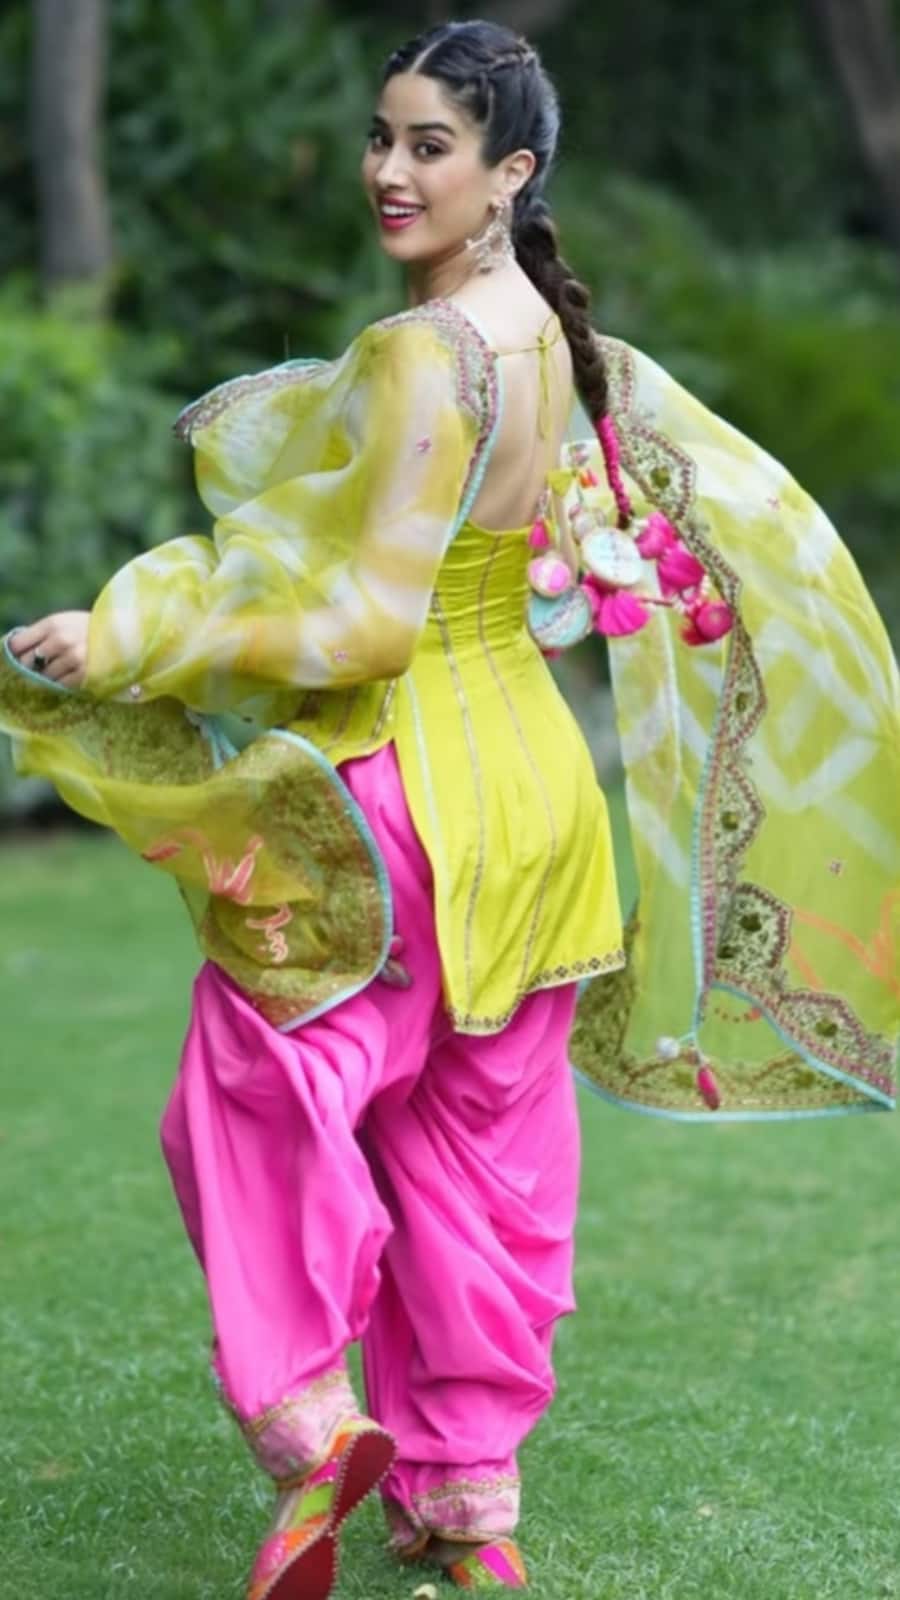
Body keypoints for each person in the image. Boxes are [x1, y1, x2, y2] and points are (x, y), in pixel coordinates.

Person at [2, 17, 898, 1600]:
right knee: (473, 1147)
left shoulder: (428, 352)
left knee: (256, 1083)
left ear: (511, 172)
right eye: (381, 137)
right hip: (541, 801)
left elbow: (364, 628)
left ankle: (312, 1419)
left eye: (431, 145)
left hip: (399, 799)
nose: (389, 171)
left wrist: (132, 636)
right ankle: (468, 1500)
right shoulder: (552, 340)